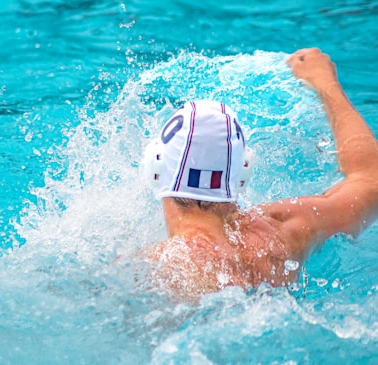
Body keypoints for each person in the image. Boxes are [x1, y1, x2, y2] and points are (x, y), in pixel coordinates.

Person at [139, 48, 378, 303]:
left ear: (155, 168)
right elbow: (370, 179)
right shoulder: (285, 232)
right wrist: (325, 82)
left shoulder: (155, 268)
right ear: (242, 173)